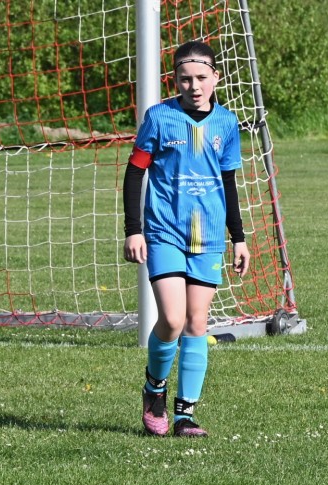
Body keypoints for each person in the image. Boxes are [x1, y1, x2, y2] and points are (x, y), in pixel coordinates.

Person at [123, 41, 250, 437]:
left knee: (197, 322)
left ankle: (185, 415)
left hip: (208, 236)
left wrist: (239, 238)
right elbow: (135, 172)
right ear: (174, 80)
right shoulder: (159, 117)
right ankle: (154, 389)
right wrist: (133, 229)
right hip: (164, 232)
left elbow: (228, 183)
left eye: (200, 78)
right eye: (184, 79)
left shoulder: (226, 123)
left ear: (216, 78)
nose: (193, 86)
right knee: (173, 319)